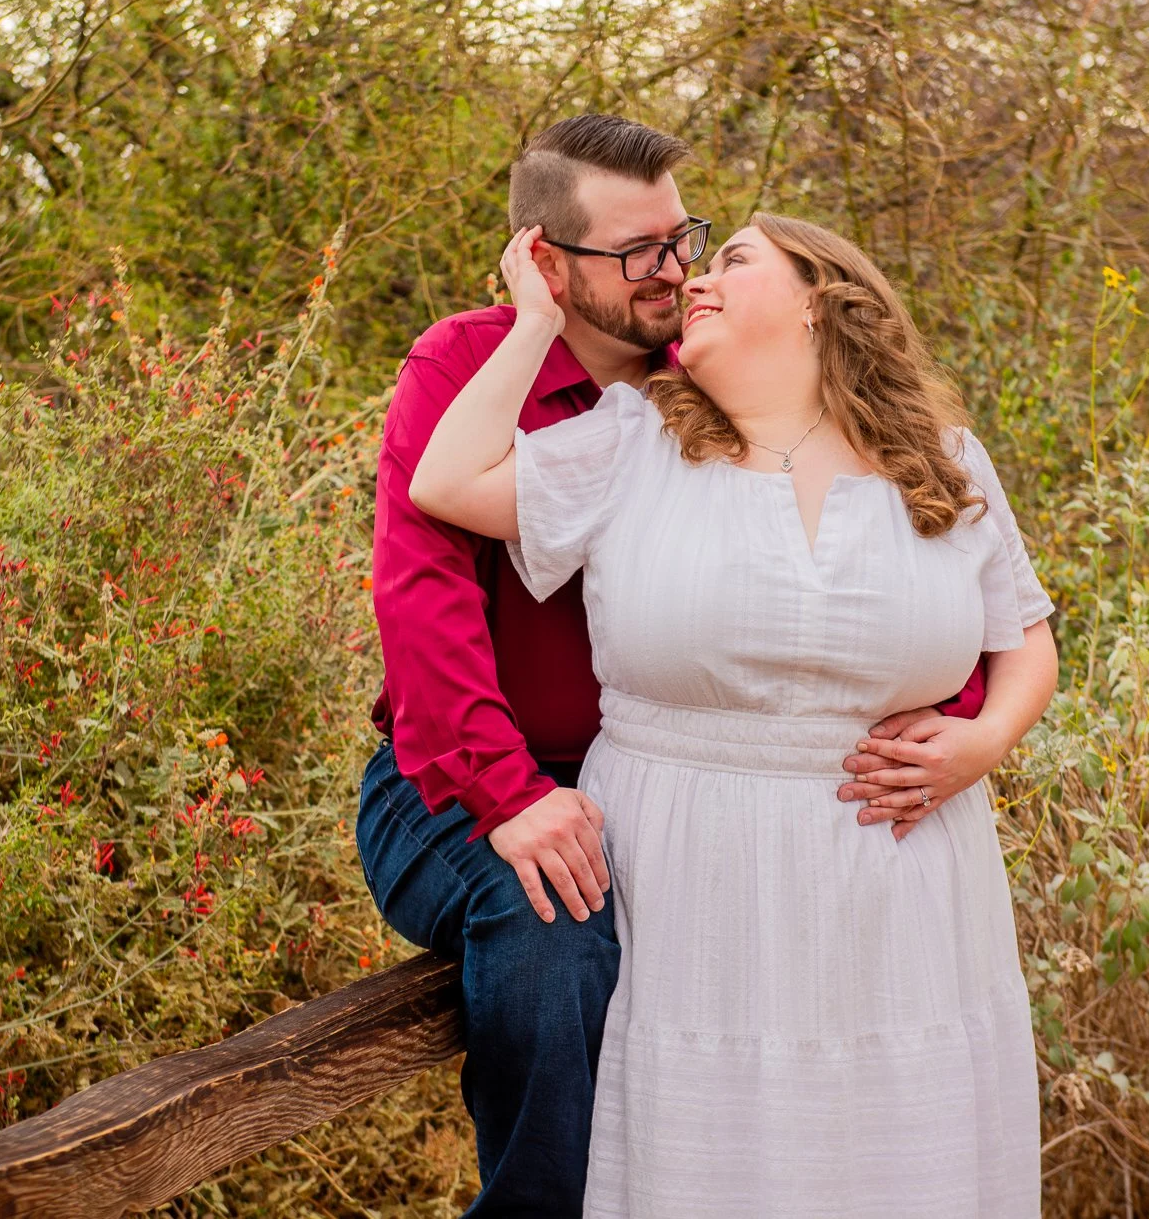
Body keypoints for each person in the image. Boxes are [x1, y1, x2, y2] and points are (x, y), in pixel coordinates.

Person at [354, 114, 993, 1216]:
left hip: (631, 794)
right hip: (454, 786)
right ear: (546, 262)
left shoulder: (699, 384)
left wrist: (951, 718)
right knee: (552, 938)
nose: (675, 269)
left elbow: (868, 579)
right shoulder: (465, 365)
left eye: (682, 236)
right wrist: (509, 796)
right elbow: (421, 598)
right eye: (636, 251)